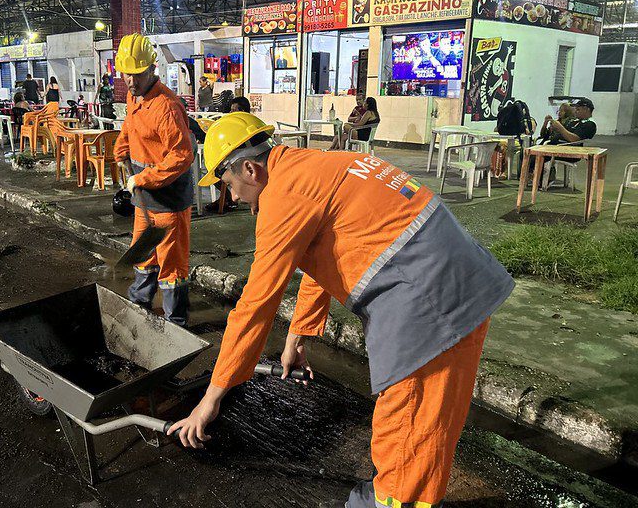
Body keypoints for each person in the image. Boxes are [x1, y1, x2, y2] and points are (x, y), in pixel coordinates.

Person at [169, 112, 515, 508]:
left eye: (227, 185)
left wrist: (211, 398)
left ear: (249, 169)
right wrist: (298, 336)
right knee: (428, 433)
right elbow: (325, 257)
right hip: (465, 290)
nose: (229, 197)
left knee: (404, 443)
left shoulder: (283, 196)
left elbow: (255, 305)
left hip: (427, 305)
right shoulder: (317, 167)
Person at [113, 33, 194, 326]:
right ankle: (139, 303)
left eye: (137, 74)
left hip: (169, 200)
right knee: (144, 253)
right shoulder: (137, 99)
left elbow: (182, 156)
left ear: (152, 69)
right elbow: (129, 129)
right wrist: (120, 150)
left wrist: (144, 177)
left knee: (171, 265)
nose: (131, 81)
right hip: (144, 198)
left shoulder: (166, 106)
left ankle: (177, 321)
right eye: (126, 75)